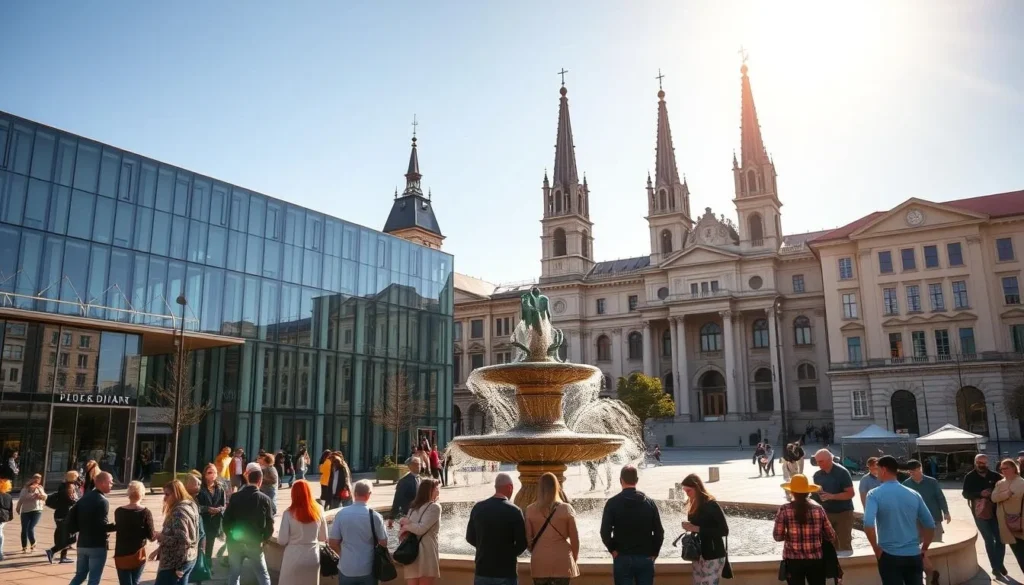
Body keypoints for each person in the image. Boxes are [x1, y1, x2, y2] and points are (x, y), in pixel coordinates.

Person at [863, 456, 935, 585]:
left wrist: (876, 549)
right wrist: (924, 548)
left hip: (889, 554)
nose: (876, 472)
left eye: (877, 469)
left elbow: (868, 524)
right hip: (913, 554)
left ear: (884, 469)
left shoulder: (874, 494)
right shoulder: (913, 493)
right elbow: (930, 524)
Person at [600, 465, 664, 585]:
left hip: (622, 555)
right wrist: (655, 552)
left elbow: (604, 532)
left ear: (621, 480)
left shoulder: (612, 503)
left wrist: (613, 550)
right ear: (637, 480)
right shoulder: (649, 503)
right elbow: (659, 531)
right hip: (645, 556)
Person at [774, 474, 837, 585]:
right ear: (808, 492)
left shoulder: (784, 509)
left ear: (791, 492)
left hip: (792, 560)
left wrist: (791, 535)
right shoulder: (818, 509)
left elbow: (777, 536)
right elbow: (831, 535)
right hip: (816, 559)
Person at [467, 473, 528, 585]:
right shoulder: (514, 511)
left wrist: (485, 547)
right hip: (505, 571)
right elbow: (522, 543)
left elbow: (469, 537)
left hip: (482, 569)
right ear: (510, 487)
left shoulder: (478, 508)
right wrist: (508, 554)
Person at [328, 479, 388, 585]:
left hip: (346, 567)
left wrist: (343, 555)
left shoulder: (341, 514)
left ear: (354, 493)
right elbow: (383, 543)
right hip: (368, 567)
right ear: (369, 494)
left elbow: (332, 543)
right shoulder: (375, 516)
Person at [526, 473, 579, 585]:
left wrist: (540, 551)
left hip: (540, 563)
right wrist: (573, 559)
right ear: (556, 487)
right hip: (562, 561)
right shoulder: (566, 509)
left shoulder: (530, 510)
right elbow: (575, 540)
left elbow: (528, 541)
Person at [223, 468, 274, 585]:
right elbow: (270, 524)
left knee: (234, 574)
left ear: (248, 479)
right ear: (260, 481)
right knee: (262, 574)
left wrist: (230, 535)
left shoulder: (235, 497)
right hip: (254, 542)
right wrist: (263, 539)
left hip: (235, 541)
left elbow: (226, 520)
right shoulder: (265, 499)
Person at [680, 473, 729, 585]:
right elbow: (697, 526)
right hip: (698, 554)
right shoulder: (693, 503)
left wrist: (699, 529)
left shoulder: (712, 505)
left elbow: (724, 530)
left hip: (713, 555)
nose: (687, 494)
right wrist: (689, 526)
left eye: (689, 491)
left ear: (697, 488)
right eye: (685, 491)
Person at [962, 453, 1006, 577]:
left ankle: (999, 563)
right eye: (980, 462)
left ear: (988, 463)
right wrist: (980, 494)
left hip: (996, 512)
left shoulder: (995, 476)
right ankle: (995, 567)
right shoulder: (970, 477)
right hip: (979, 513)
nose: (982, 465)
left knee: (1000, 539)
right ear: (975, 463)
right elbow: (965, 494)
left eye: (984, 462)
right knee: (989, 540)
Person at [69, 471, 116, 585]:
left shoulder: (85, 498)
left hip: (82, 543)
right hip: (96, 545)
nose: (112, 484)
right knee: (94, 578)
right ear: (103, 483)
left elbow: (73, 517)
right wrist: (118, 525)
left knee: (80, 574)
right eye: (110, 482)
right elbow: (102, 526)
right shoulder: (102, 501)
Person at [278, 480, 328, 585]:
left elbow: (282, 540)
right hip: (312, 556)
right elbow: (323, 537)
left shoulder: (288, 513)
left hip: (293, 556)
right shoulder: (319, 510)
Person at [153, 480, 200, 585]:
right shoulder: (191, 505)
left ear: (176, 493)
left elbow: (182, 540)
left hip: (174, 563)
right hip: (189, 558)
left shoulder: (178, 512)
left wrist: (162, 537)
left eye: (167, 494)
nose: (164, 498)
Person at [810, 449, 855, 552]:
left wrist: (832, 496)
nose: (818, 464)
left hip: (843, 513)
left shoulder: (842, 472)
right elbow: (816, 495)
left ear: (830, 459)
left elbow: (850, 493)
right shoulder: (817, 475)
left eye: (821, 461)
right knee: (827, 545)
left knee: (843, 544)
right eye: (817, 461)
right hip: (826, 513)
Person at [399, 478, 442, 585]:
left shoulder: (413, 508)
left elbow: (407, 527)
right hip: (426, 552)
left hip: (411, 552)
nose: (438, 490)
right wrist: (408, 526)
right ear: (430, 490)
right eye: (436, 488)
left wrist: (407, 525)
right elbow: (421, 529)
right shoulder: (434, 507)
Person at [113, 481, 155, 585]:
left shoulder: (119, 511)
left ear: (128, 494)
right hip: (137, 553)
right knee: (135, 581)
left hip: (121, 553)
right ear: (142, 494)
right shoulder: (145, 512)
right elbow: (151, 535)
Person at [992, 459, 1024, 574]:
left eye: (1006, 468)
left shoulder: (1021, 483)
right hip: (1006, 524)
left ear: (1014, 468)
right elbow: (994, 498)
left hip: (1021, 523)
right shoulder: (1000, 483)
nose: (1003, 471)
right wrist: (1006, 494)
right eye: (1001, 469)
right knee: (1019, 554)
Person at [46, 470, 81, 564]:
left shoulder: (64, 486)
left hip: (60, 514)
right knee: (70, 538)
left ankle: (63, 557)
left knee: (66, 537)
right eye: (77, 477)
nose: (79, 478)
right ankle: (52, 551)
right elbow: (72, 501)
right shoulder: (69, 488)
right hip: (65, 515)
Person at [195, 464, 225, 571]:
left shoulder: (220, 487)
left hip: (215, 521)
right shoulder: (199, 488)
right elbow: (195, 506)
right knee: (200, 546)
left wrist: (219, 509)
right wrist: (207, 509)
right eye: (209, 473)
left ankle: (208, 567)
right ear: (205, 474)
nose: (213, 475)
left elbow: (223, 505)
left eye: (215, 472)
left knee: (210, 545)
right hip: (202, 521)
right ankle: (198, 567)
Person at [15, 473, 46, 552]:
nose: (37, 480)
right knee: (24, 529)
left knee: (30, 528)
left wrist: (40, 496)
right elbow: (21, 499)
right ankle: (24, 546)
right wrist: (18, 508)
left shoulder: (40, 488)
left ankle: (33, 543)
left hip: (37, 510)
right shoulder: (25, 489)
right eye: (35, 478)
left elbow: (45, 497)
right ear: (32, 479)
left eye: (38, 479)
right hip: (25, 511)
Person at [389, 458, 422, 529]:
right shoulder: (404, 481)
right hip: (408, 514)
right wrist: (392, 517)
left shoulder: (421, 480)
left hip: (420, 514)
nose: (419, 466)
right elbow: (397, 499)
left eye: (420, 464)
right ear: (410, 466)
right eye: (416, 465)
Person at [0, 478, 12, 562]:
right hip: (4, 517)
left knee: (0, 533)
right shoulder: (8, 496)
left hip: (1, 516)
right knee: (0, 532)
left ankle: (0, 553)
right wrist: (9, 517)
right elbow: (10, 508)